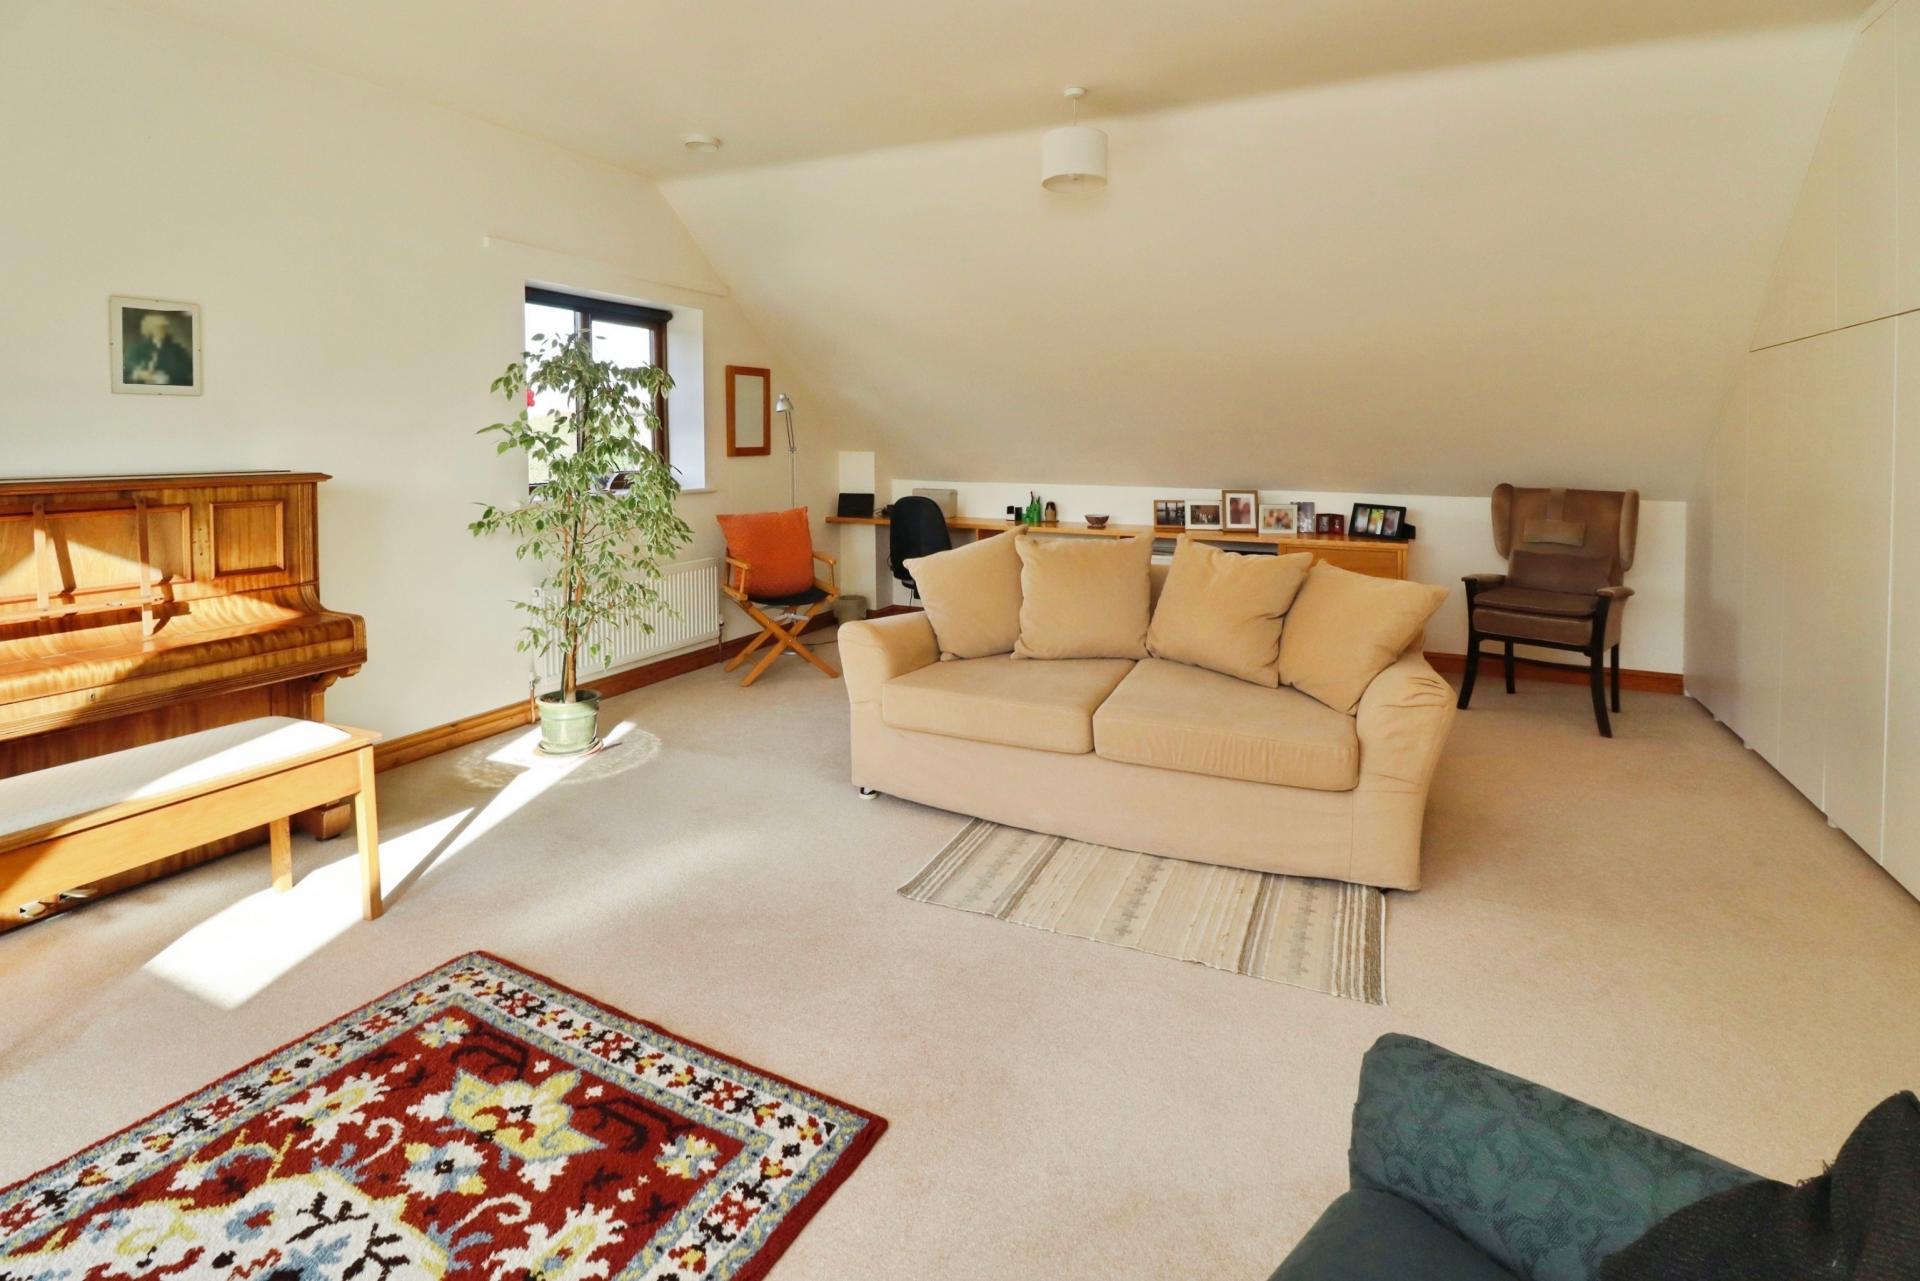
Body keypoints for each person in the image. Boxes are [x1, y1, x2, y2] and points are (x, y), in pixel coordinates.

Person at [123, 311, 193, 387]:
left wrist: (164, 378)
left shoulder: (177, 350)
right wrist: (139, 374)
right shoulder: (138, 349)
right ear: (149, 329)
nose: (161, 330)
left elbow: (187, 371)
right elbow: (127, 369)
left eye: (163, 327)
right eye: (157, 327)